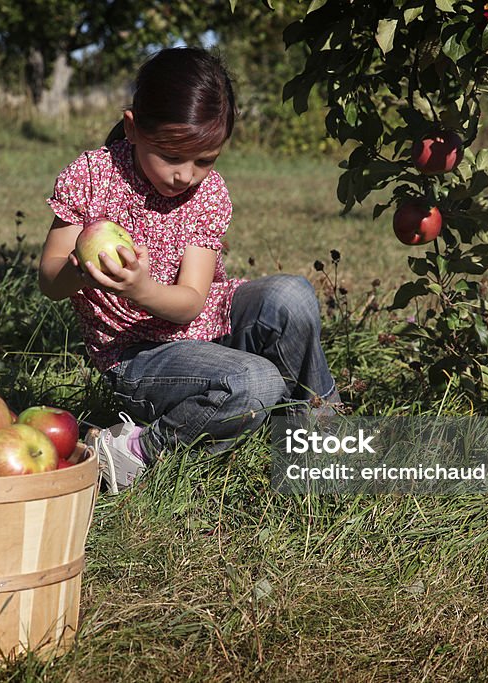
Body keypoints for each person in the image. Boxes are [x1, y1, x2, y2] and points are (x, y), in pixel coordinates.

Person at [39, 46, 339, 493]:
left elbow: (190, 303)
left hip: (203, 321)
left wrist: (140, 285)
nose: (186, 176)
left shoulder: (206, 194)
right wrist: (84, 271)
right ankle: (136, 450)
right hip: (139, 355)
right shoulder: (91, 176)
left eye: (205, 160)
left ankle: (313, 433)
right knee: (255, 382)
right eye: (172, 156)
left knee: (291, 295)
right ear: (132, 128)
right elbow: (49, 280)